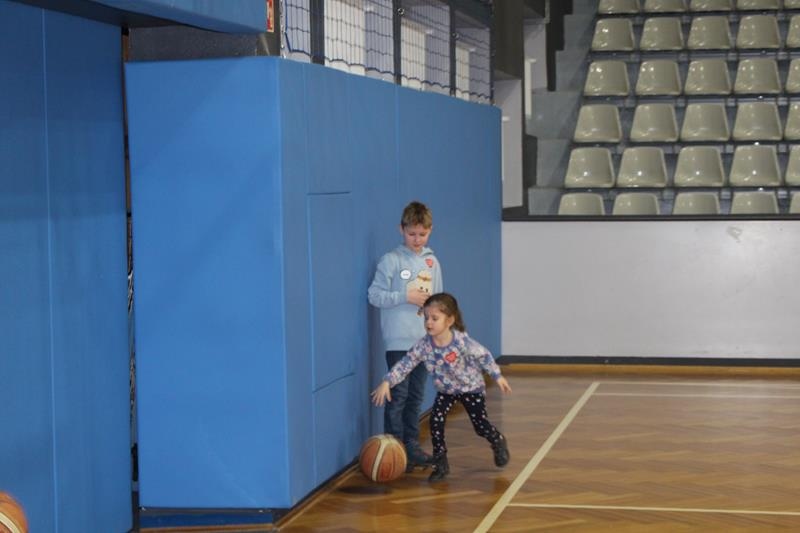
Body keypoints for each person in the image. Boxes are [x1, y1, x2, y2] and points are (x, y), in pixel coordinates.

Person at [371, 292, 512, 482]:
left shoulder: (462, 342)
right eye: (426, 318)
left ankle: (497, 440)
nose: (429, 322)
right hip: (446, 391)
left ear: (449, 320)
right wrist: (387, 381)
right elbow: (405, 364)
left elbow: (484, 355)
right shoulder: (424, 346)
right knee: (436, 423)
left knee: (480, 425)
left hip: (471, 389)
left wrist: (497, 376)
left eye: (434, 318)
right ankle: (441, 463)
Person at [368, 201, 443, 471]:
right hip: (399, 341)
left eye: (422, 234)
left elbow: (439, 301)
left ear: (430, 231)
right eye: (412, 234)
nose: (417, 239)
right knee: (398, 396)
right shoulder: (391, 260)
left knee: (416, 396)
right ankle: (394, 450)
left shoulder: (432, 262)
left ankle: (411, 447)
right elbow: (374, 295)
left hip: (423, 343)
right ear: (401, 229)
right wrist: (405, 296)